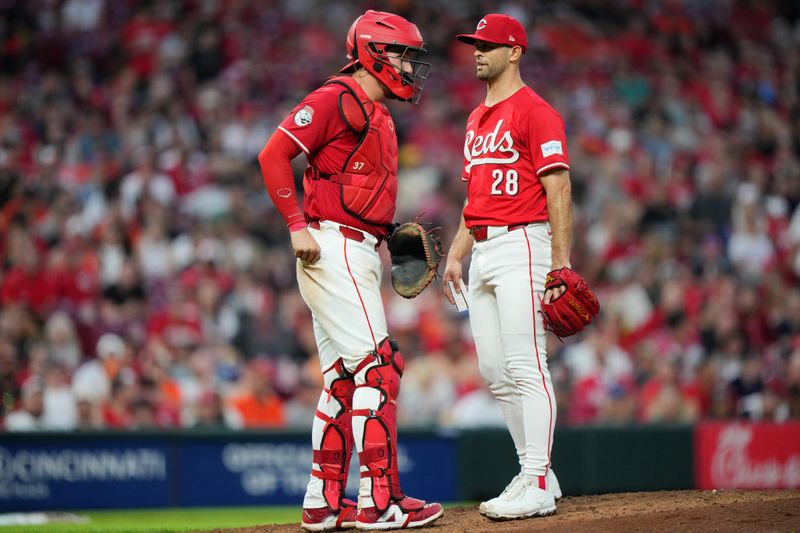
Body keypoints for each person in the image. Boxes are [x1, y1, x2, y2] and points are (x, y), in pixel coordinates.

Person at [258, 10, 443, 531]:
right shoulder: (335, 98)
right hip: (331, 249)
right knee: (378, 370)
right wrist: (296, 224)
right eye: (403, 55)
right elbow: (273, 155)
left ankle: (321, 502)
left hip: (353, 248)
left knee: (343, 381)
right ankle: (380, 502)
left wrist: (385, 235)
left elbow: (351, 189)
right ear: (374, 53)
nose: (410, 67)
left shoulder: (376, 111)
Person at [443, 13, 571, 520]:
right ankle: (536, 470)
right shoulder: (476, 119)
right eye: (475, 44)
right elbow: (473, 196)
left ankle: (537, 478)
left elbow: (558, 187)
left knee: (525, 363)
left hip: (524, 243)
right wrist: (456, 253)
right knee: (495, 371)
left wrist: (560, 263)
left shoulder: (536, 111)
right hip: (483, 248)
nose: (477, 51)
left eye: (488, 45)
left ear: (514, 51)